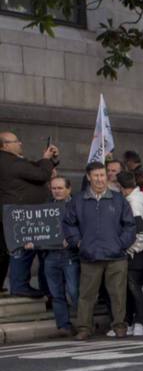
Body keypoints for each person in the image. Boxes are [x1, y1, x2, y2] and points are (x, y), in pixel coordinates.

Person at [62, 161, 135, 340]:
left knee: (118, 294)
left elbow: (130, 226)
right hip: (90, 255)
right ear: (89, 177)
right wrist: (78, 243)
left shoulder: (118, 200)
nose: (100, 179)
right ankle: (84, 328)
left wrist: (121, 244)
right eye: (96, 176)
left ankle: (119, 326)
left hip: (116, 256)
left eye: (102, 175)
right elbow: (68, 224)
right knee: (86, 295)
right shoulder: (78, 200)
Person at [0, 129, 60, 296]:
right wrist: (47, 160)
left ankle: (23, 286)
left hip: (19, 214)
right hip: (22, 216)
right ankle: (20, 286)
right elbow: (40, 175)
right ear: (5, 146)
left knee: (19, 252)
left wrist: (48, 160)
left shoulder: (12, 161)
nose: (20, 143)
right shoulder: (10, 162)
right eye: (16, 141)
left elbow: (33, 169)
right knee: (23, 252)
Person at [117, 171, 143, 336]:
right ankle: (131, 321)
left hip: (135, 252)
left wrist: (130, 250)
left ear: (122, 188)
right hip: (137, 250)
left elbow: (140, 232)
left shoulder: (134, 204)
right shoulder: (137, 200)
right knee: (131, 288)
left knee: (134, 288)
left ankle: (139, 322)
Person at [43, 175, 78, 336]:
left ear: (68, 189)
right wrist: (32, 242)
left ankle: (84, 323)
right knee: (56, 293)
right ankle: (64, 326)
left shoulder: (77, 205)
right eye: (54, 188)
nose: (56, 191)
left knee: (74, 291)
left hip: (71, 254)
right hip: (51, 255)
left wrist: (72, 240)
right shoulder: (45, 208)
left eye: (60, 188)